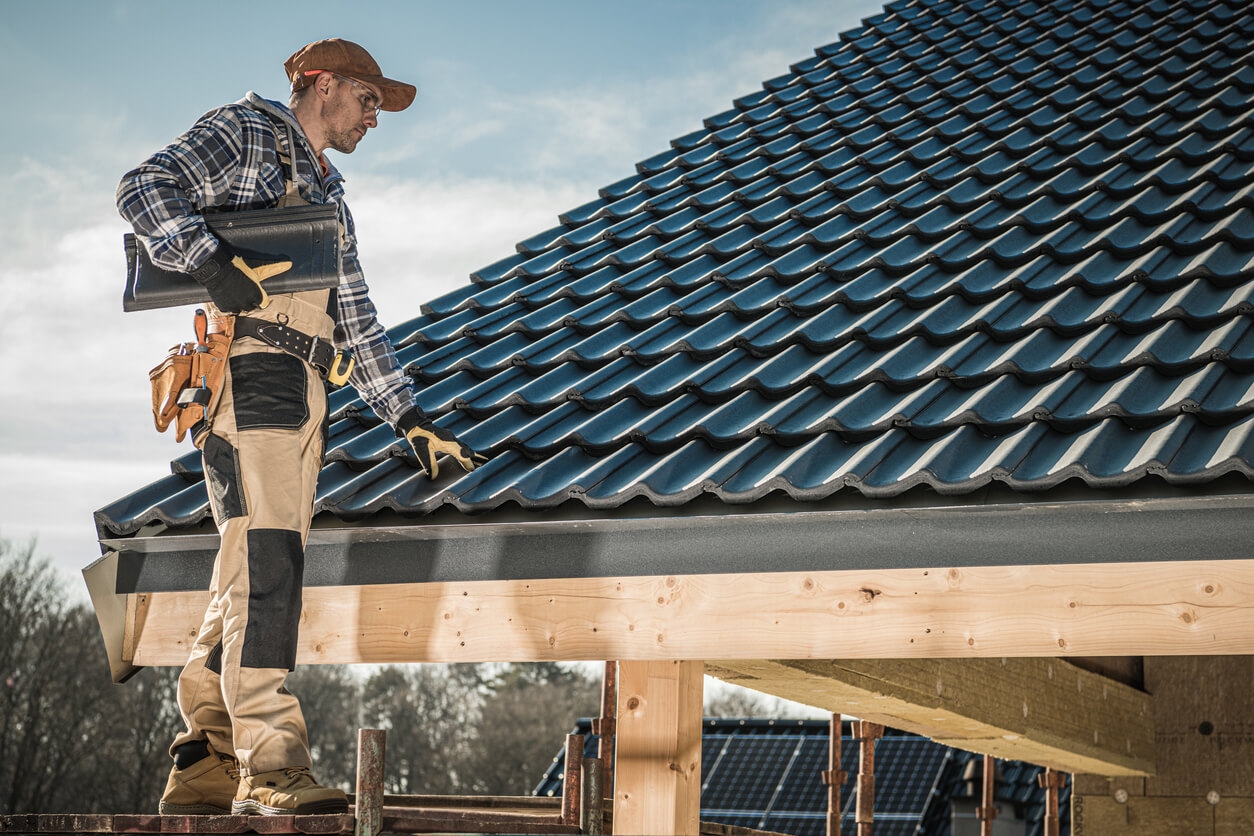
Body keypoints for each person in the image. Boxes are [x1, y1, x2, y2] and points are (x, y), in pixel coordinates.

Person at [116, 38, 484, 816]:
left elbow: (356, 315)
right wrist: (211, 263)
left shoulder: (329, 194)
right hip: (253, 378)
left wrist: (409, 418)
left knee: (244, 570)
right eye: (368, 100)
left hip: (303, 386)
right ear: (321, 85)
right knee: (272, 567)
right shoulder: (247, 133)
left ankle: (206, 760)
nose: (375, 119)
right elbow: (143, 188)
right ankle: (271, 766)